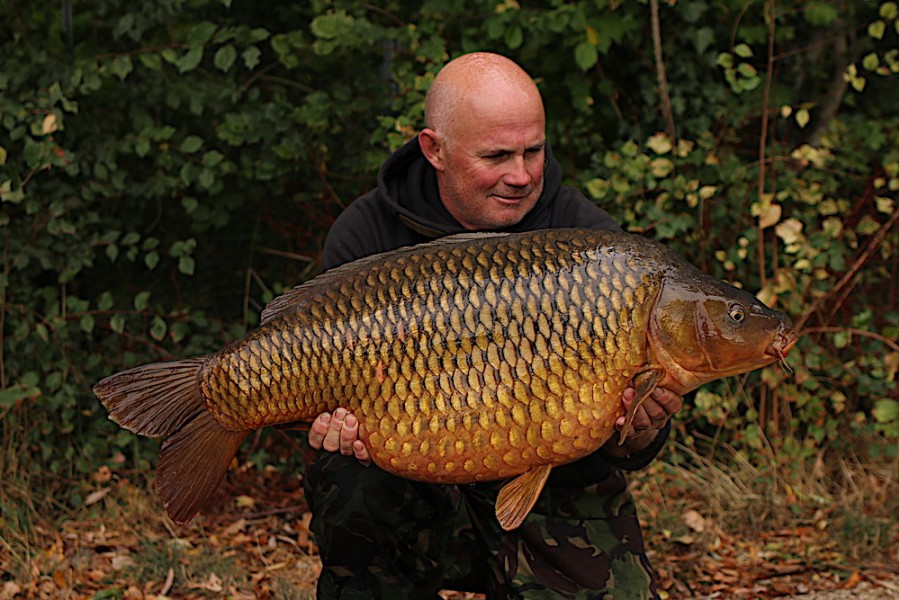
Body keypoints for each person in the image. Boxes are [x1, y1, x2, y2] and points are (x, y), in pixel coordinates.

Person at [303, 52, 683, 599]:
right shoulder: (367, 234)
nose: (522, 174)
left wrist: (640, 428)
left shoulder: (590, 241)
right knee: (347, 479)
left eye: (535, 150)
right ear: (434, 149)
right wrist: (327, 432)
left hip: (554, 485)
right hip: (411, 483)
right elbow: (322, 396)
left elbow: (632, 445)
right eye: (497, 155)